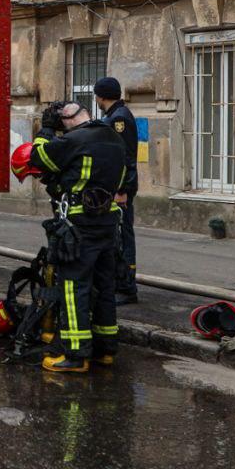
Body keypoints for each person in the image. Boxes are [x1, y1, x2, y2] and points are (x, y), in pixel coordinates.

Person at [28, 101, 125, 373]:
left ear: (67, 120)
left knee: (74, 287)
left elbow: (38, 157)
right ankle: (106, 349)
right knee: (104, 286)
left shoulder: (75, 139)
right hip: (108, 222)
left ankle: (75, 354)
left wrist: (46, 129)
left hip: (80, 226)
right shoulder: (113, 138)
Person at [93, 77, 138, 305]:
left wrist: (122, 189)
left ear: (101, 96)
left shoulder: (119, 118)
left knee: (123, 236)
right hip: (114, 186)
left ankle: (127, 286)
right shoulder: (114, 116)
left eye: (97, 96)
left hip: (120, 188)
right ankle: (119, 282)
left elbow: (125, 157)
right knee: (116, 236)